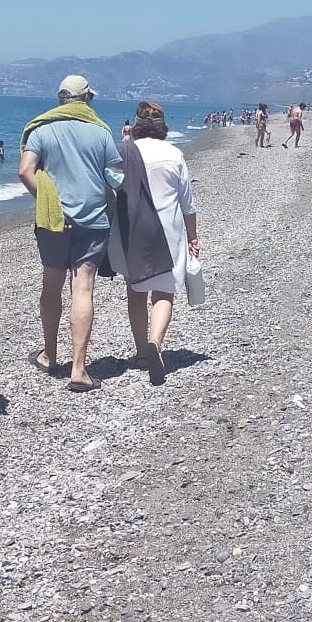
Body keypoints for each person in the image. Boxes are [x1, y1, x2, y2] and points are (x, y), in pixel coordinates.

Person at [20, 75, 121, 391]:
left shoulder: (42, 129)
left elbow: (25, 171)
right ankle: (78, 370)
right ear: (87, 99)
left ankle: (49, 356)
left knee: (51, 287)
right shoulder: (101, 131)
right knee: (83, 290)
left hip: (53, 223)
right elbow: (114, 174)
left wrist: (48, 202)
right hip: (92, 222)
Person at [111, 102, 200, 385]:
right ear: (163, 127)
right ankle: (156, 342)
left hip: (132, 228)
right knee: (164, 292)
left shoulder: (124, 151)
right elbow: (187, 204)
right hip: (168, 230)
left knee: (135, 290)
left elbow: (112, 185)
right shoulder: (174, 154)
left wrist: (125, 142)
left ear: (136, 125)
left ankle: (140, 354)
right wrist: (193, 237)